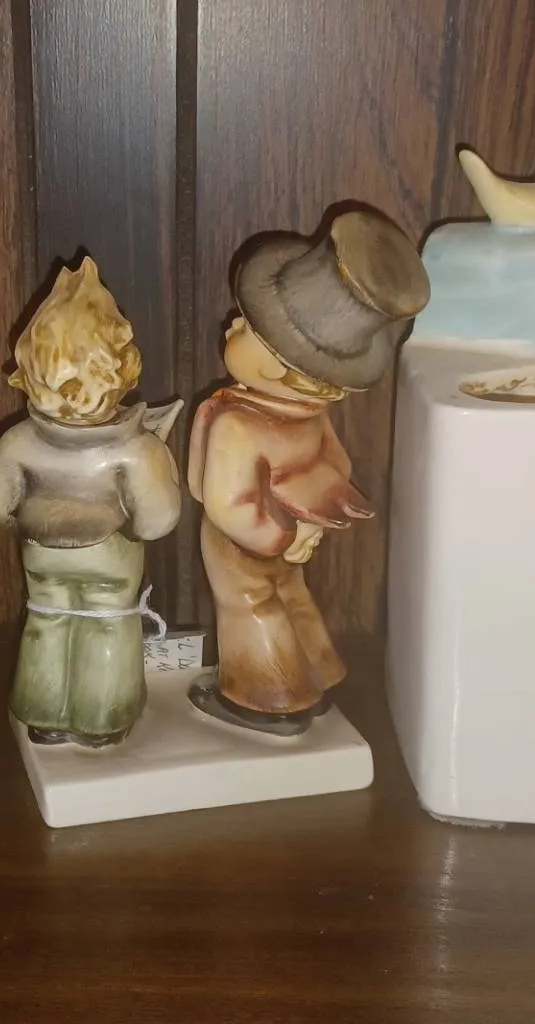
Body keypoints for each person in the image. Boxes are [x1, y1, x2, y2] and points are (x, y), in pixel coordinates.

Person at [188, 209, 427, 736]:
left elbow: (229, 503)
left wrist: (279, 534)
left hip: (246, 541)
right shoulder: (311, 415)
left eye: (246, 328)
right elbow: (336, 465)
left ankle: (269, 695)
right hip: (292, 532)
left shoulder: (237, 425)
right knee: (292, 594)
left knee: (250, 604)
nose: (231, 325)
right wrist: (304, 527)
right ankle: (316, 671)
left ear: (278, 366)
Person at [0, 258, 181, 747]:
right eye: (55, 388)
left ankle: (44, 710)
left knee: (46, 620)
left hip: (43, 555)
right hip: (108, 558)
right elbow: (157, 519)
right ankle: (101, 716)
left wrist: (23, 523)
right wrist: (135, 527)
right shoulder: (136, 450)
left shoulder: (19, 441)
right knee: (108, 626)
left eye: (72, 387)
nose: (67, 401)